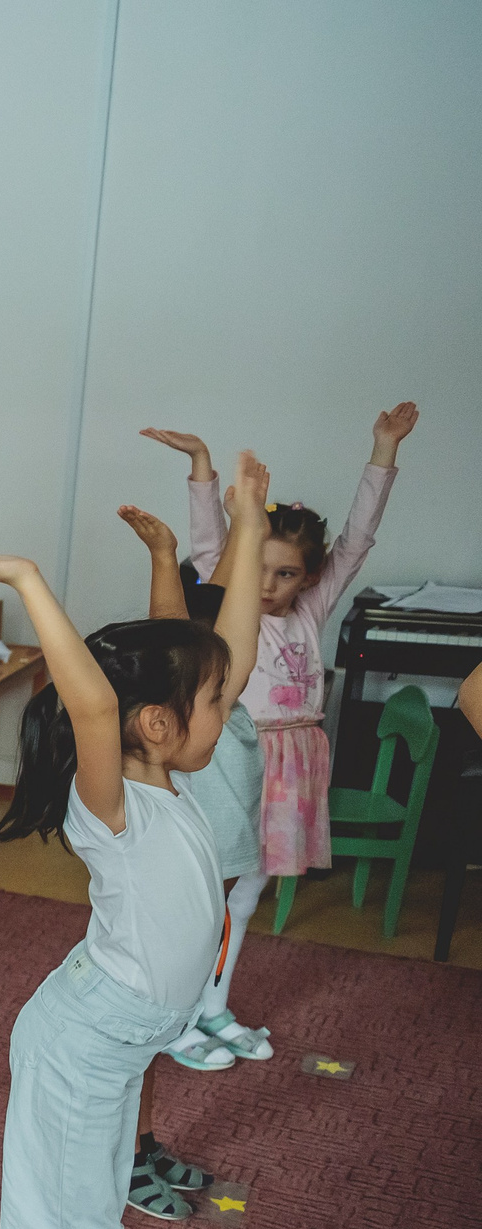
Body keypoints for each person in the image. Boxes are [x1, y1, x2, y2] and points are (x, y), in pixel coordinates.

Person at [0, 453, 275, 1229]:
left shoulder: (166, 771)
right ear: (154, 722)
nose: (224, 703)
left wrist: (244, 521)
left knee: (86, 1216)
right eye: (210, 701)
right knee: (69, 1227)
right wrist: (28, 583)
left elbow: (217, 644)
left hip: (110, 1035)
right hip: (82, 1042)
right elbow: (94, 705)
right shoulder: (112, 799)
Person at [140, 403, 418, 1061]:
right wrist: (203, 468)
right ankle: (175, 1016)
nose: (268, 585)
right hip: (235, 759)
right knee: (208, 890)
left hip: (293, 764)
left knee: (252, 890)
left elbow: (357, 538)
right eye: (259, 568)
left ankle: (212, 1006)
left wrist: (383, 449)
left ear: (311, 576)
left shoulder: (315, 606)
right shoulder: (228, 597)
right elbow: (213, 545)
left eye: (286, 573)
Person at [117, 499, 264, 1216]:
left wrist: (248, 527)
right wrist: (164, 557)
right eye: (214, 685)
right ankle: (123, 1157)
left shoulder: (215, 725)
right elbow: (170, 638)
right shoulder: (163, 755)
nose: (231, 690)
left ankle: (140, 1145)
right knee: (136, 1052)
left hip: (193, 928)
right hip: (146, 951)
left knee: (153, 1049)